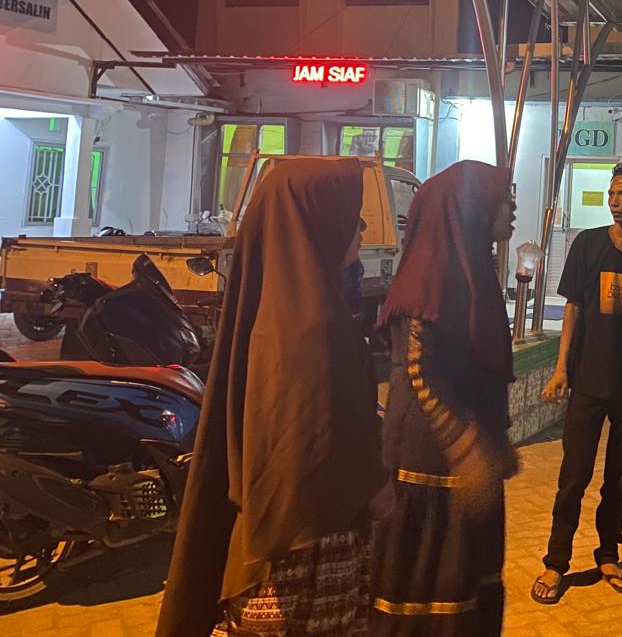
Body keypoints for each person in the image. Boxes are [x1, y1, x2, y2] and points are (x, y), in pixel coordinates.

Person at [155, 158, 387, 637]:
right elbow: (307, 452)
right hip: (302, 548)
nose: (361, 229)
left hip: (302, 531)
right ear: (318, 223)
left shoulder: (291, 309)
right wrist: (376, 484)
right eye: (352, 214)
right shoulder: (307, 331)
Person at [369, 160, 519, 636]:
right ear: (470, 207)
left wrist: (493, 441)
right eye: (502, 198)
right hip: (430, 461)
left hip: (468, 459)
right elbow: (420, 372)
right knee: (429, 588)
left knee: (469, 584)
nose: (512, 207)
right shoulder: (428, 276)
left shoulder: (472, 267)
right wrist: (467, 447)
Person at [531, 161, 622, 604]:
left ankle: (608, 555)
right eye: (612, 193)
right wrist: (562, 368)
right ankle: (556, 563)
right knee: (573, 476)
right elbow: (572, 309)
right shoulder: (588, 244)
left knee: (619, 480)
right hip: (589, 382)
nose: (615, 201)